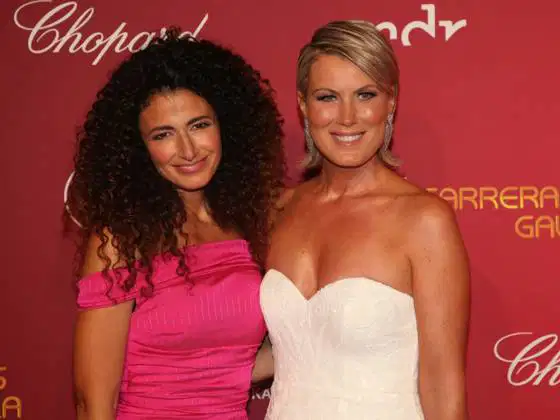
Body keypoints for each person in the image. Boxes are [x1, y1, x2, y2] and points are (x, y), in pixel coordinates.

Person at [66, 29, 285, 419]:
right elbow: (93, 402)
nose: (187, 150)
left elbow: (235, 363)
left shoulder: (250, 225)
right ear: (140, 148)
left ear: (226, 125)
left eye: (199, 125)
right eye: (163, 134)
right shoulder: (121, 240)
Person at [258, 20, 470, 419]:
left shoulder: (425, 221)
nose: (347, 117)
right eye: (327, 97)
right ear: (303, 105)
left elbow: (444, 391)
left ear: (391, 102)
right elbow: (288, 348)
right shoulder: (279, 210)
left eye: (365, 95)